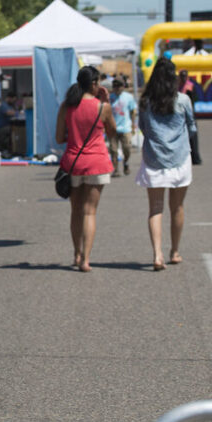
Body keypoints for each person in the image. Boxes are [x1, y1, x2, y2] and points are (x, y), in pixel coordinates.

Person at [135, 57, 196, 271]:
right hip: (180, 159)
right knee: (177, 207)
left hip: (154, 159)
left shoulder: (145, 102)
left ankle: (157, 254)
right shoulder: (183, 100)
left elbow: (142, 127)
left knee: (155, 208)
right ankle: (175, 251)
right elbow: (192, 127)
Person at [55, 66, 117, 273]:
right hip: (96, 163)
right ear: (94, 84)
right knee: (90, 212)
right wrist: (106, 102)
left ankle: (76, 253)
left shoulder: (67, 105)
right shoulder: (102, 107)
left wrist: (75, 135)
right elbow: (112, 132)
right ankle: (86, 260)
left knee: (76, 211)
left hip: (73, 162)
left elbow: (59, 137)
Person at [108, 77, 137, 176]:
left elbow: (133, 111)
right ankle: (115, 169)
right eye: (115, 86)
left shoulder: (128, 97)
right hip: (113, 128)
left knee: (127, 148)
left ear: (123, 87)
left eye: (119, 86)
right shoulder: (110, 97)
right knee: (113, 150)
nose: (117, 88)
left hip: (125, 128)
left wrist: (133, 125)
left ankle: (126, 163)